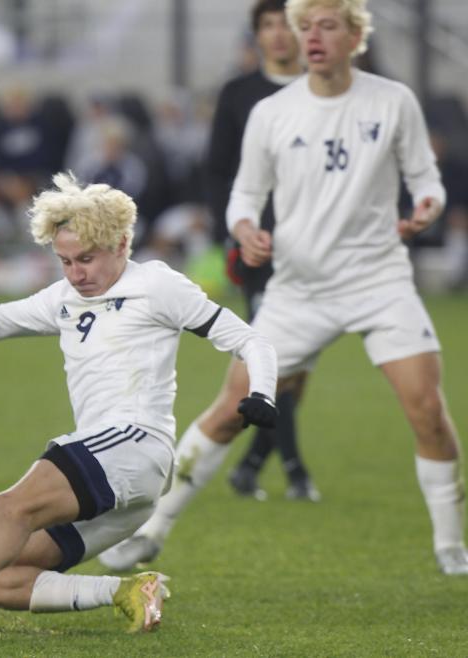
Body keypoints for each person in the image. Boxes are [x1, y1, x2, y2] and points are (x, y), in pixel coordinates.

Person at [97, 0, 468, 576]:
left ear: (354, 36)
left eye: (326, 26)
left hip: (379, 279)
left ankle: (450, 546)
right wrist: (245, 228)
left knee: (427, 410)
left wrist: (428, 206)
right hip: (298, 287)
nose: (310, 37)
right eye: (304, 26)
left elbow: (426, 179)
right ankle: (152, 531)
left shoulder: (393, 101)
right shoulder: (272, 112)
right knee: (229, 410)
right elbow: (245, 194)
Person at [0, 172, 278, 640]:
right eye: (65, 261)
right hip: (126, 490)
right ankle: (126, 589)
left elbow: (252, 340)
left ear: (122, 243)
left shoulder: (157, 285)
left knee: (8, 507)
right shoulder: (65, 296)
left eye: (86, 259)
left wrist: (262, 393)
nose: (76, 273)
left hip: (135, 444)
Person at [206, 0, 317, 503]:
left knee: (300, 363)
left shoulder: (324, 92)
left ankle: (252, 464)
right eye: (267, 26)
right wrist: (232, 232)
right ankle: (294, 469)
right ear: (257, 35)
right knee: (275, 354)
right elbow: (217, 170)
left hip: (316, 247)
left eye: (284, 25)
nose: (277, 35)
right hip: (259, 246)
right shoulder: (238, 93)